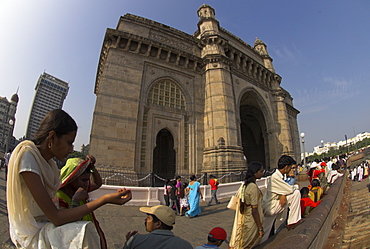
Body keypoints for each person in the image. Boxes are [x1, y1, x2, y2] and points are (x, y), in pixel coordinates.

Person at [6, 109, 132, 248]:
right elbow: (56, 217)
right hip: (32, 232)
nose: (71, 149)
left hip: (47, 225)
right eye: (69, 142)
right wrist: (105, 199)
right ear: (52, 137)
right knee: (84, 234)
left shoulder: (51, 165)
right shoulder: (27, 155)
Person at [57, 156, 107, 249]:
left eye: (87, 180)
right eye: (83, 180)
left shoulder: (78, 190)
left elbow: (97, 183)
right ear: (72, 178)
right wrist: (75, 201)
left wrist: (92, 168)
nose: (86, 184)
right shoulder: (59, 198)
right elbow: (66, 226)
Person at [261, 155, 303, 243]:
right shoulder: (275, 177)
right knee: (296, 193)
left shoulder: (279, 176)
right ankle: (293, 221)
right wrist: (295, 186)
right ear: (286, 167)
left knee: (264, 235)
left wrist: (283, 195)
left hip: (272, 206)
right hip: (271, 207)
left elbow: (283, 190)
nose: (292, 169)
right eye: (291, 167)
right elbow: (289, 189)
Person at [229, 162, 265, 249]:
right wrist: (260, 228)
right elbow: (254, 210)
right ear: (255, 173)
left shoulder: (246, 185)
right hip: (252, 220)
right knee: (246, 245)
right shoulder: (252, 187)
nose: (262, 173)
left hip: (246, 217)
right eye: (261, 171)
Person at [123, 205, 192, 249]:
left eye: (148, 218)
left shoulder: (136, 240)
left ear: (158, 224)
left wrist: (129, 242)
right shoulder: (185, 245)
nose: (145, 220)